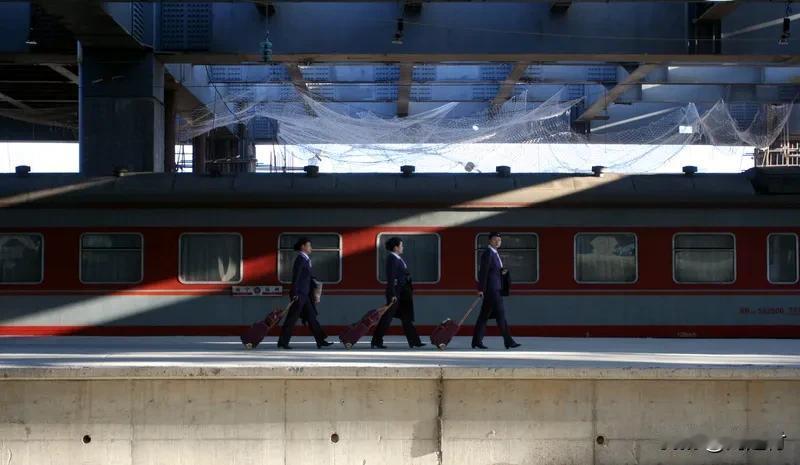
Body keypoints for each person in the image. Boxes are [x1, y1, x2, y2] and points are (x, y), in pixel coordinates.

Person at [277, 237, 333, 349]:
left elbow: (307, 276)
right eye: (309, 245)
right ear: (303, 247)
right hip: (299, 294)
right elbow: (296, 277)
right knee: (291, 319)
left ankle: (320, 340)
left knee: (312, 317)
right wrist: (294, 292)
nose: (311, 248)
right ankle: (282, 342)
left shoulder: (306, 259)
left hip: (305, 295)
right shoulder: (300, 259)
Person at [371, 237, 426, 349]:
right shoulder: (392, 258)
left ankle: (415, 341)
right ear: (396, 247)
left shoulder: (397, 258)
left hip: (402, 293)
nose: (402, 247)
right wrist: (392, 294)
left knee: (406, 317)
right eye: (401, 245)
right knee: (387, 317)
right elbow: (391, 278)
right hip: (396, 293)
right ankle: (376, 341)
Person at [472, 232, 520, 350]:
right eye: (495, 240)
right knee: (501, 315)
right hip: (492, 290)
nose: (498, 241)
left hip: (495, 288)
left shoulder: (495, 253)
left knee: (484, 316)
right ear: (490, 241)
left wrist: (502, 272)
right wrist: (480, 289)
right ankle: (508, 341)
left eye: (499, 240)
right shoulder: (488, 254)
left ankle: (476, 341)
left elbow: (493, 271)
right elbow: (483, 272)